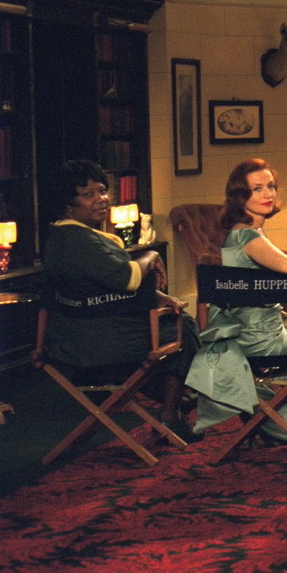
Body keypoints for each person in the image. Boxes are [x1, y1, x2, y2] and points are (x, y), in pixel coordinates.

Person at [186, 158, 287, 438]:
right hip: (261, 340)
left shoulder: (250, 232)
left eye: (271, 186)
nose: (268, 194)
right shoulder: (245, 236)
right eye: (257, 189)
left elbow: (258, 299)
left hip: (258, 331)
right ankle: (281, 415)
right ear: (240, 196)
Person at [42, 159, 200, 441]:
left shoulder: (65, 237)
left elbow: (97, 289)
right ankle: (170, 412)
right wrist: (151, 255)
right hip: (94, 343)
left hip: (71, 338)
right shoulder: (80, 240)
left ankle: (172, 401)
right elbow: (127, 278)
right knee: (183, 328)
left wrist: (156, 296)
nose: (101, 199)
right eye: (88, 194)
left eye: (102, 191)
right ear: (68, 203)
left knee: (168, 328)